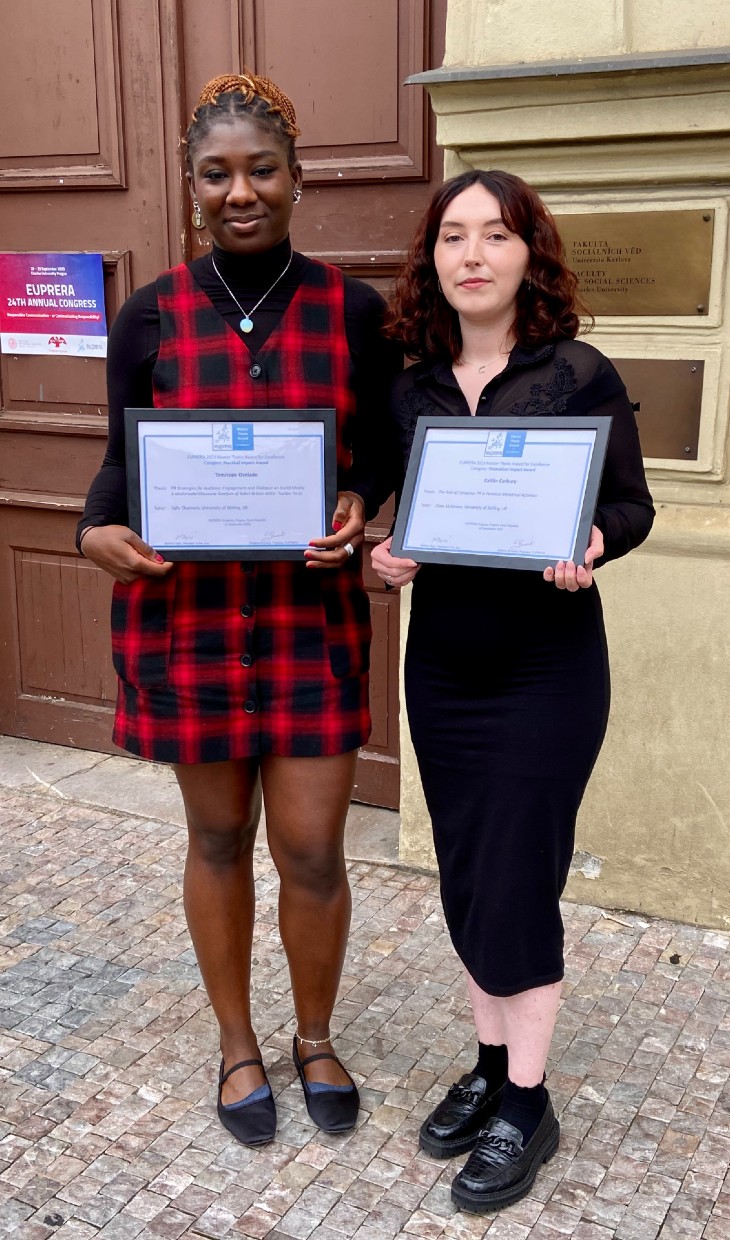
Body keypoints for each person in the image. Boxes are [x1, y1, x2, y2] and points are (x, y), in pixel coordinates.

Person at [77, 72, 400, 1148]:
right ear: (190, 188)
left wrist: (361, 502)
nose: (241, 191)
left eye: (261, 169)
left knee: (310, 847)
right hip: (190, 623)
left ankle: (314, 1035)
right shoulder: (151, 313)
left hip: (310, 623)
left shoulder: (352, 310)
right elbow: (118, 469)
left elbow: (384, 461)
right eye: (217, 174)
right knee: (217, 835)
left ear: (297, 178)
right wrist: (94, 535)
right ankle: (238, 1045)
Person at [372, 169, 654, 1213]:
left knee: (518, 875)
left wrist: (592, 538)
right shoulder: (410, 384)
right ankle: (489, 1066)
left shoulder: (575, 371)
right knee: (467, 872)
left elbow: (632, 505)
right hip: (442, 667)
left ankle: (526, 1103)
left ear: (528, 253)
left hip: (546, 671)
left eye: (496, 234)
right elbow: (387, 513)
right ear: (433, 258)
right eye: (454, 235)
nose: (474, 254)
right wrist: (381, 558)